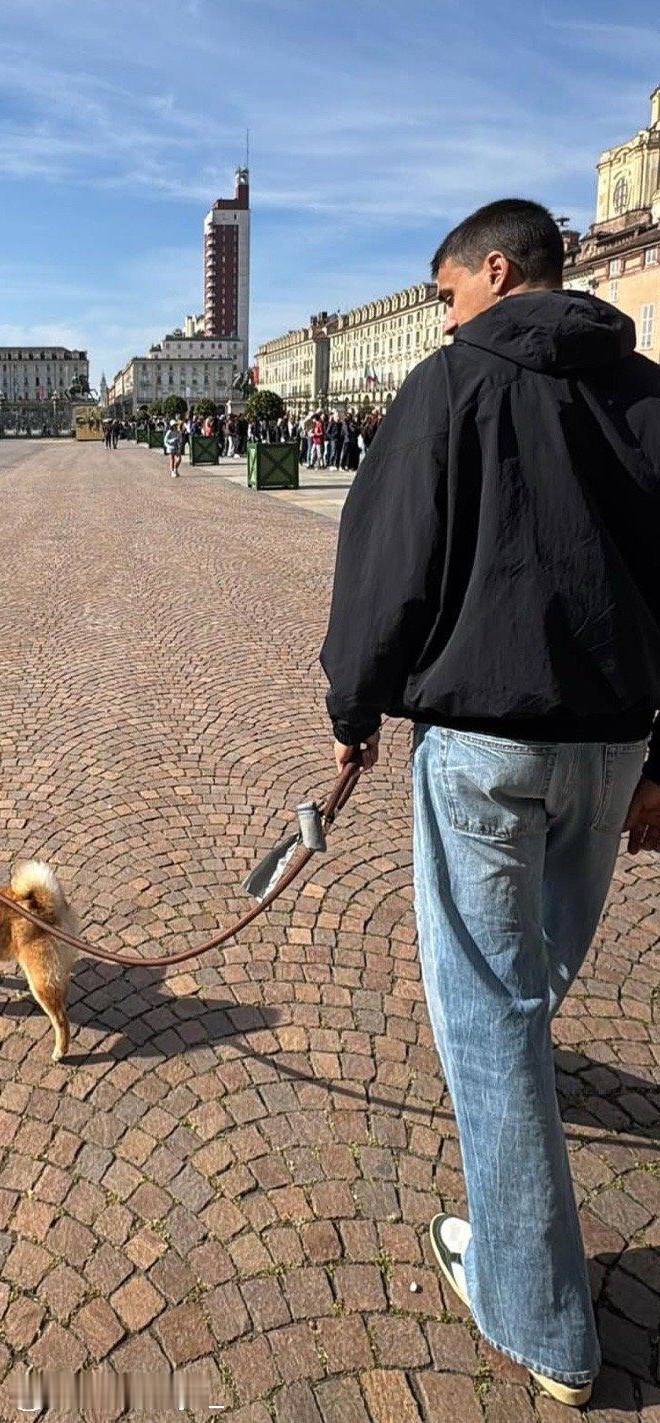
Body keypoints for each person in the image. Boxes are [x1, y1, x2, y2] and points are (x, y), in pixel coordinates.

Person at [320, 198, 660, 1408]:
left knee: (490, 1015)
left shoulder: (451, 384)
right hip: (612, 743)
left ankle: (541, 1312)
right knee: (539, 971)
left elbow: (388, 553)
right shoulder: (646, 391)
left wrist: (353, 706)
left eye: (445, 292)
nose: (443, 313)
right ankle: (528, 1110)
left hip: (483, 740)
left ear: (497, 271)